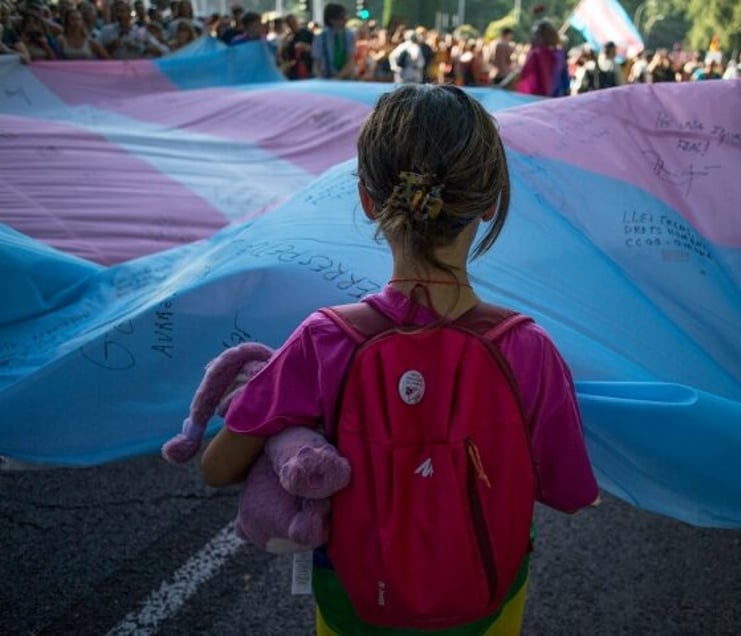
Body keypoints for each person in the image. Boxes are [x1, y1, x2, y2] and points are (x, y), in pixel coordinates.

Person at [200, 84, 599, 635]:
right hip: (484, 610)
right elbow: (571, 492)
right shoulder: (528, 350)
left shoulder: (323, 340)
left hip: (355, 608)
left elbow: (216, 466)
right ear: (489, 202)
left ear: (367, 198)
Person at [515, 20, 562, 97]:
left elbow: (544, 79)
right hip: (545, 98)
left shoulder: (537, 54)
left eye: (535, 34)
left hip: (533, 98)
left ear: (543, 37)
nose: (532, 37)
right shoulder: (555, 54)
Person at [311, 2, 355, 79]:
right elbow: (316, 63)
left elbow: (350, 60)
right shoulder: (320, 38)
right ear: (331, 20)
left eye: (345, 16)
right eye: (342, 17)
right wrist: (319, 77)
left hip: (347, 79)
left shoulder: (350, 35)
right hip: (326, 78)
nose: (346, 20)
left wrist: (337, 78)